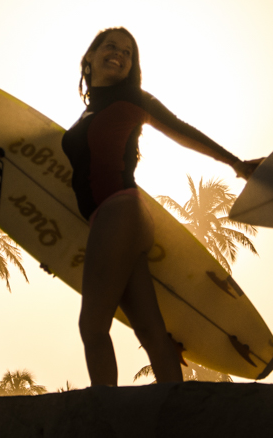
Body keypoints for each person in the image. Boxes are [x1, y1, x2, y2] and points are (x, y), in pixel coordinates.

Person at [61, 27, 258, 386]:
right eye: (110, 46)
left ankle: (104, 417)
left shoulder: (133, 100)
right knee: (151, 333)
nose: (119, 54)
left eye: (128, 52)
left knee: (92, 327)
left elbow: (180, 129)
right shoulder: (88, 114)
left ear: (132, 66)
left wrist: (235, 163)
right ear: (89, 57)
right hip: (118, 219)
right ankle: (176, 412)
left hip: (118, 212)